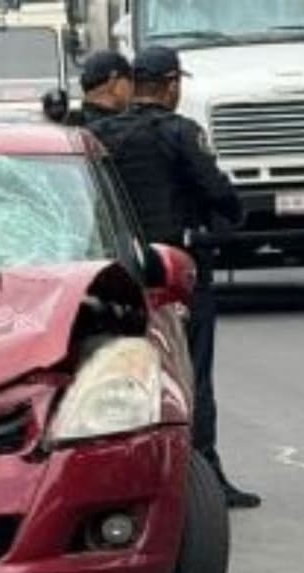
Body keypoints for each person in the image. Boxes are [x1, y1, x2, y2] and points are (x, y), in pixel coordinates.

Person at [90, 46, 261, 509]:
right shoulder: (180, 134)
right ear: (171, 85)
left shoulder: (96, 134)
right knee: (192, 375)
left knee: (114, 380)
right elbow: (220, 193)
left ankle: (120, 476)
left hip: (111, 279)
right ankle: (202, 476)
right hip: (177, 275)